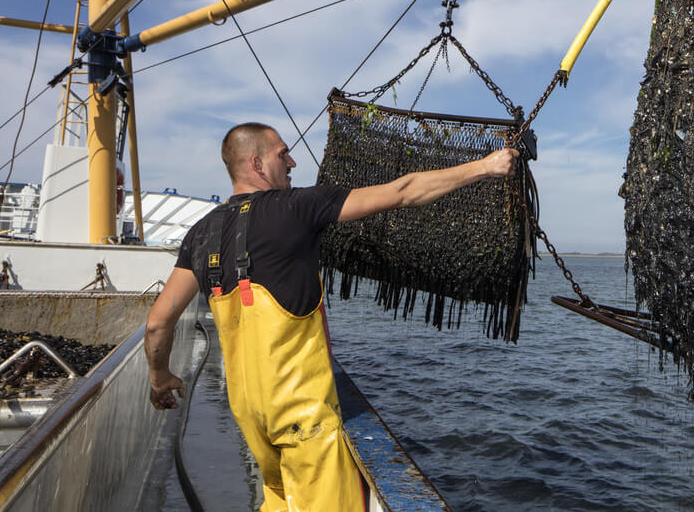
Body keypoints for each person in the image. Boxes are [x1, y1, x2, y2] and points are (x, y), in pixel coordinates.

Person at [145, 122, 517, 511]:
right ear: (256, 163)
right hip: (304, 423)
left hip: (251, 420)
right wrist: (486, 167)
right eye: (282, 153)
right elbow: (404, 192)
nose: (292, 162)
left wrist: (160, 379)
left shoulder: (201, 233)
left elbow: (158, 322)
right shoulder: (297, 207)